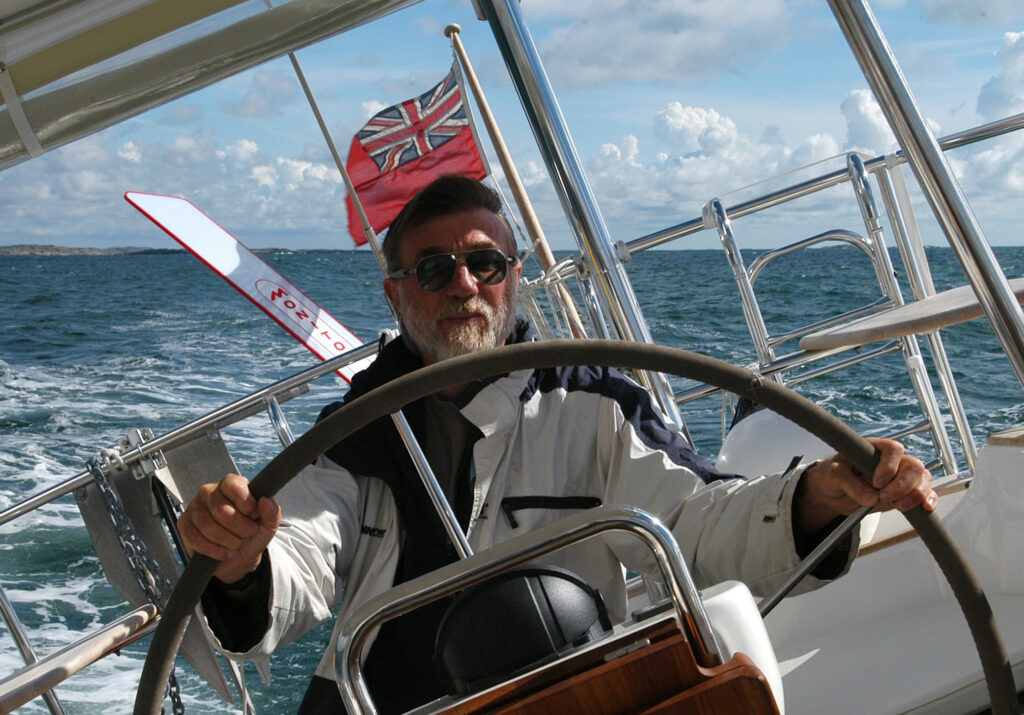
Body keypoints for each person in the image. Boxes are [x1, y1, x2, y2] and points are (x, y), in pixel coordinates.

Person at [179, 175, 935, 714]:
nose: (464, 283)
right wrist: (242, 564)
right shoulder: (352, 434)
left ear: (513, 277)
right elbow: (299, 556)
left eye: (485, 262)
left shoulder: (593, 402)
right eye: (435, 269)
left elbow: (695, 522)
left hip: (572, 697)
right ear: (396, 292)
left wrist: (814, 499)